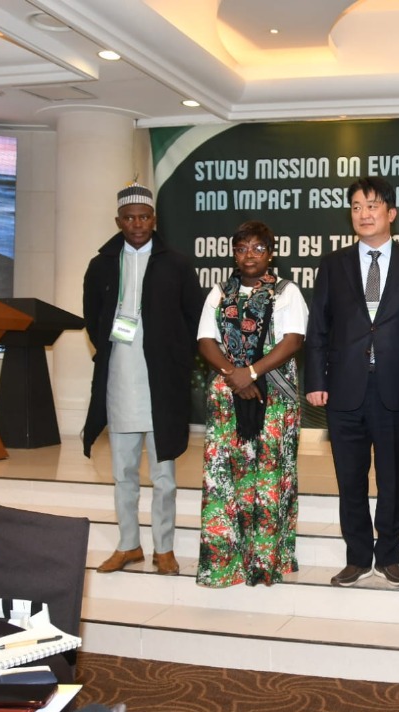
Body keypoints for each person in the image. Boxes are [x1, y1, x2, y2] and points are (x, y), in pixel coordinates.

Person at [304, 176, 399, 588]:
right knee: (350, 478)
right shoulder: (333, 264)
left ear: (390, 213)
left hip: (394, 386)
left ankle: (389, 557)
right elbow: (318, 327)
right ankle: (358, 557)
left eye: (372, 206)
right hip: (344, 387)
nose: (364, 214)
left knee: (392, 478)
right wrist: (315, 379)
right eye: (357, 207)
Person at [83, 182, 202, 576]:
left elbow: (194, 317)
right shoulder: (101, 265)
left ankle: (163, 548)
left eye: (144, 217)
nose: (137, 224)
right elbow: (92, 318)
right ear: (118, 221)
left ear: (154, 220)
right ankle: (128, 545)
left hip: (161, 383)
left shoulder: (177, 264)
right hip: (120, 379)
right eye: (130, 218)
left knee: (164, 475)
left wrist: (178, 360)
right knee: (123, 473)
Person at [195, 221, 308, 587]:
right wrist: (235, 375)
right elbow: (206, 340)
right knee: (226, 478)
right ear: (234, 253)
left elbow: (293, 340)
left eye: (258, 248)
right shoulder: (219, 293)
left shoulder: (286, 292)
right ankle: (225, 563)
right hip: (228, 397)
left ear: (270, 254)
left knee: (269, 477)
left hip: (274, 398)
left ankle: (266, 561)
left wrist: (253, 373)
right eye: (242, 248)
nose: (249, 255)